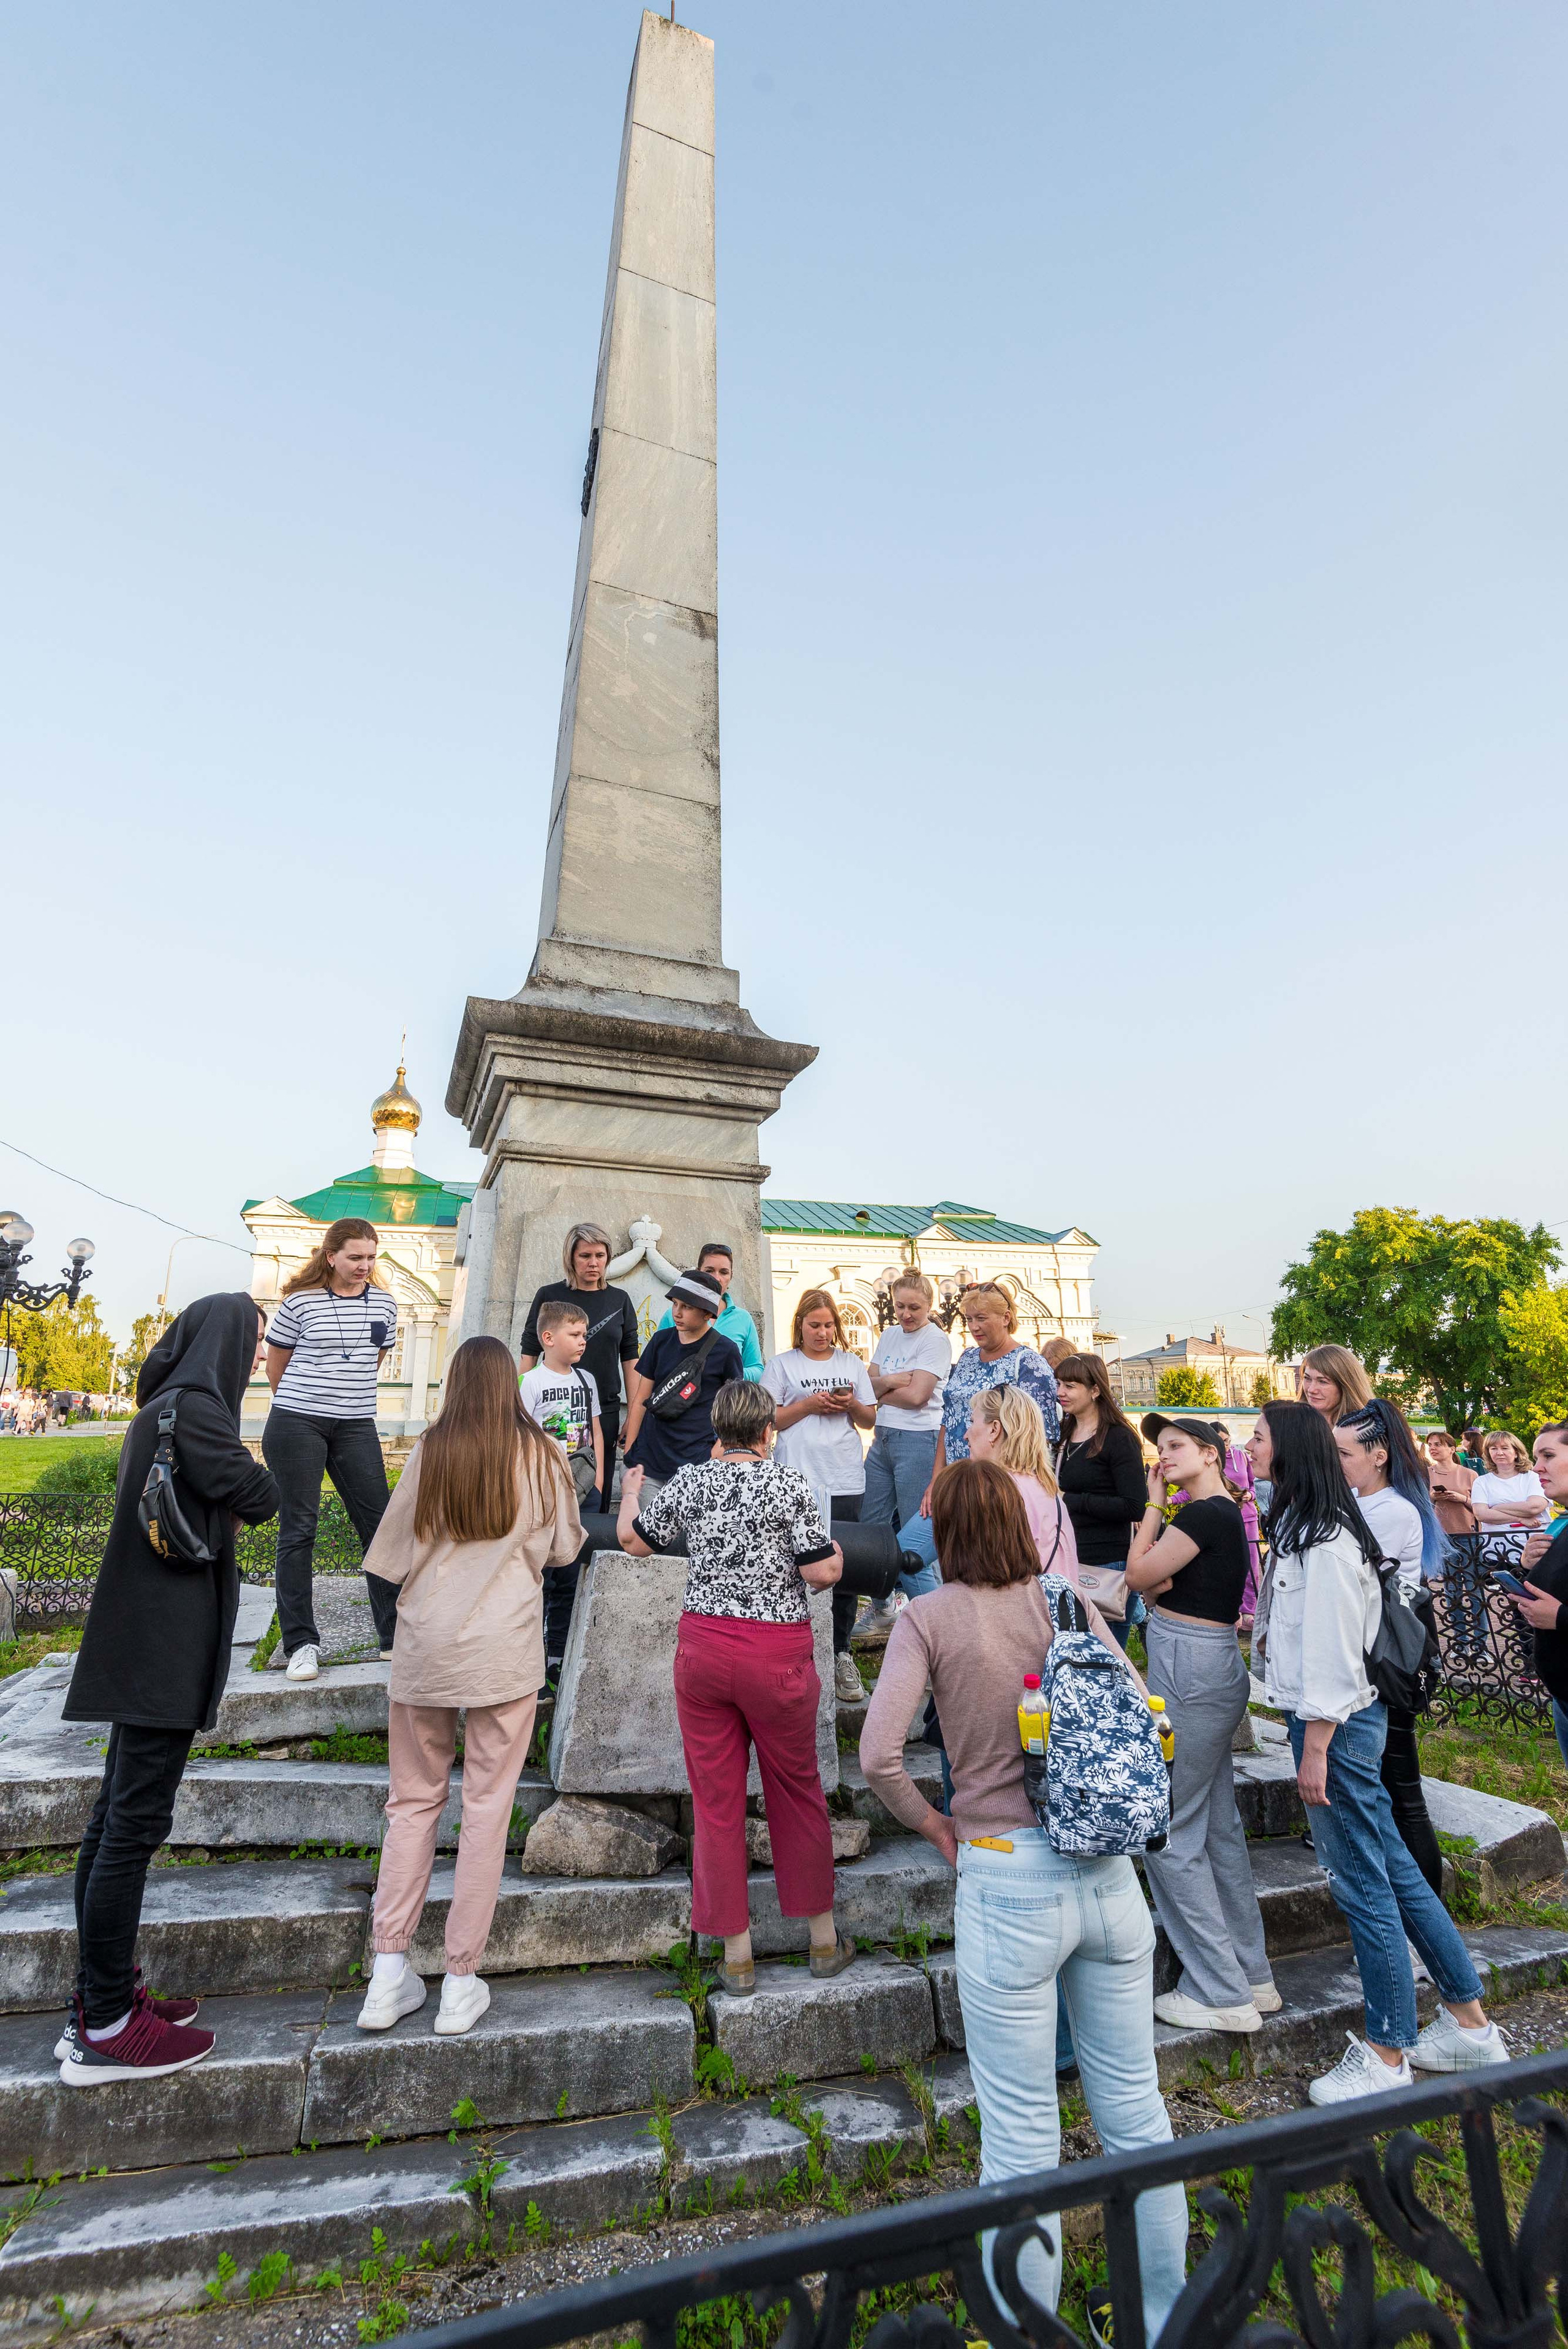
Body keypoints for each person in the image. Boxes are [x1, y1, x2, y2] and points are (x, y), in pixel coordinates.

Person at [859, 1459, 1189, 2347]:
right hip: (1109, 1875)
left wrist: (936, 1824)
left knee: (1019, 2134)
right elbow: (1147, 1715)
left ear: (947, 1533)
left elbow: (878, 1753)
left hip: (1005, 1873)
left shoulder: (929, 1615)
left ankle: (1025, 2330)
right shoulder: (1067, 1599)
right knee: (1137, 2112)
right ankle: (1161, 2318)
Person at [1248, 1400, 1506, 2102]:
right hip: (1338, 1722)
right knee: (1393, 1869)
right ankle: (1471, 2024)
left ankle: (1388, 2053)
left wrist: (1315, 1748)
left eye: (1258, 1435)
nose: (1248, 1444)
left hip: (1336, 1725)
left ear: (1290, 1451)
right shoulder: (1312, 1527)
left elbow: (1334, 1652)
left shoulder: (1325, 1538)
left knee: (1363, 1884)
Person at [59, 1295, 279, 2084]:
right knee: (131, 1830)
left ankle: (96, 2002)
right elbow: (263, 1496)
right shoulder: (201, 1413)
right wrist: (252, 1471)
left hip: (135, 1642)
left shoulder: (160, 1406)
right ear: (223, 1341)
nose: (255, 1356)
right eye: (251, 1340)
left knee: (110, 1821)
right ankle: (109, 2025)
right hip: (163, 1647)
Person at [353, 1337, 582, 2036]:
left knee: (411, 1806)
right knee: (485, 1810)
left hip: (426, 1647)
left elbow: (389, 1556)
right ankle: (459, 1980)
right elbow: (564, 1547)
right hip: (503, 1651)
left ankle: (386, 1977)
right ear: (509, 1384)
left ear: (454, 1382)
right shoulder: (541, 1452)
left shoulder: (430, 1448)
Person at [616, 1378, 853, 1992]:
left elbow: (634, 1543)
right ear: (767, 1430)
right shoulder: (789, 1483)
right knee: (796, 1790)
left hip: (705, 1652)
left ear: (717, 1428)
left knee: (716, 1801)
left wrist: (628, 1494)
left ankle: (737, 1954)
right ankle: (823, 1942)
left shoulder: (693, 1480)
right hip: (775, 1655)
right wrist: (838, 1558)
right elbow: (821, 1570)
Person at [1124, 1414, 1275, 2034]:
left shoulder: (1201, 1513)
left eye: (1176, 1446)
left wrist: (1152, 1507)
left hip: (1189, 1666)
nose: (1163, 1456)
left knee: (1165, 1829)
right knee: (1215, 1828)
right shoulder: (1220, 1515)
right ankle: (1251, 1975)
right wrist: (1155, 1577)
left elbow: (1137, 1579)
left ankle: (1219, 1990)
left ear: (1211, 1454)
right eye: (1158, 1449)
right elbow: (1160, 1592)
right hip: (1203, 1660)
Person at [260, 1216, 400, 1681]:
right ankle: (301, 1642)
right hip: (297, 1422)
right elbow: (275, 1367)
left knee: (380, 1526)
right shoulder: (300, 1303)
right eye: (355, 1257)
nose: (365, 1265)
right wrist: (307, 1403)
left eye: (371, 1257)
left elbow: (371, 1362)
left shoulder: (384, 1305)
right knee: (299, 1529)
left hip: (356, 1424)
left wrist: (342, 1400)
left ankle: (394, 1636)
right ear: (331, 1256)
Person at [1333, 1397, 1447, 1896]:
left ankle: (1427, 1923)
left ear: (1378, 1456)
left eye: (1344, 1453)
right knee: (1388, 1790)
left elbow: (1352, 1579)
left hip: (1389, 1665)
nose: (1336, 1463)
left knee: (1404, 1794)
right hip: (1371, 1662)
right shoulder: (1364, 1502)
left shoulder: (1393, 1510)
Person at [897, 1284, 1062, 1587]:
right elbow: (948, 1421)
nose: (974, 1327)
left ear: (1006, 1317)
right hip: (955, 1483)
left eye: (982, 1318)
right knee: (904, 1554)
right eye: (969, 1319)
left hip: (997, 1493)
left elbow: (1039, 1437)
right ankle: (938, 1629)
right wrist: (937, 1480)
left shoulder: (1028, 1365)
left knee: (977, 1576)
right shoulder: (969, 1358)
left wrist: (1007, 1488)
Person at [762, 1292, 878, 1705]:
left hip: (843, 1474)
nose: (823, 1332)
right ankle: (795, 1648)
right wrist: (810, 1404)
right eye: (815, 1325)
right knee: (793, 1562)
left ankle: (841, 1652)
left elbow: (869, 1419)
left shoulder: (849, 1364)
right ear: (801, 1325)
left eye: (829, 1325)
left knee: (843, 1563)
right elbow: (769, 1418)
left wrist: (851, 1405)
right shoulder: (782, 1364)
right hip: (796, 1473)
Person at [518, 1299, 605, 1684]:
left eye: (584, 1334)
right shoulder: (530, 1382)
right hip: (542, 1490)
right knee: (542, 1574)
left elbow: (596, 1431)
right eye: (575, 1334)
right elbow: (519, 1436)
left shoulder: (586, 1381)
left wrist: (600, 1478)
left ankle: (557, 1655)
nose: (582, 1341)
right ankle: (529, 1654)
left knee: (570, 1572)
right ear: (548, 1338)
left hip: (582, 1489)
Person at [518, 1223, 641, 1490]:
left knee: (598, 1490)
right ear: (571, 1258)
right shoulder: (549, 1295)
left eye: (600, 1256)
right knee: (547, 1488)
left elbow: (630, 1357)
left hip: (604, 1410)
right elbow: (530, 1351)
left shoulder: (619, 1299)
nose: (593, 1263)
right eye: (585, 1256)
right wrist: (518, 1408)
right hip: (553, 1408)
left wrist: (633, 1412)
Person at [859, 1272, 952, 1623]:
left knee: (918, 1537)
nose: (906, 1314)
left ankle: (934, 1617)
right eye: (900, 1306)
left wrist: (881, 1388)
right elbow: (864, 1387)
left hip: (919, 1439)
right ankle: (883, 1604)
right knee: (871, 1524)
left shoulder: (936, 1340)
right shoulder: (889, 1335)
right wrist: (889, 1382)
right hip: (882, 1437)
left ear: (930, 1305)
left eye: (915, 1307)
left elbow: (917, 1397)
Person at [1054, 1353, 1148, 1654]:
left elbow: (1134, 1506)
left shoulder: (1119, 1438)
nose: (1060, 1393)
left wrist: (1072, 1501)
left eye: (1070, 1386)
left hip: (1108, 1563)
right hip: (1069, 1559)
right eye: (1058, 1384)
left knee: (1104, 1660)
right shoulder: (1065, 1435)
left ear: (1095, 1390)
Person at [622, 1269, 744, 1501]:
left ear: (708, 1312)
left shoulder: (726, 1350)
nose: (677, 1313)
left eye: (687, 1307)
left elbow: (735, 1412)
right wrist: (630, 1455)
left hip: (697, 1465)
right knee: (648, 1535)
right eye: (675, 1304)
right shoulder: (660, 1341)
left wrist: (717, 1452)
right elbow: (640, 1400)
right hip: (649, 1463)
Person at [967, 1385, 1079, 1582]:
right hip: (1057, 1607)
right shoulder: (1045, 1488)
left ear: (994, 1429)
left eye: (972, 1422)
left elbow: (991, 1577)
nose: (965, 1434)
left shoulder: (1000, 1492)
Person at [1517, 1423, 1568, 1776]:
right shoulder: (1561, 1522)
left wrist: (1561, 1616)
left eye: (1548, 1456)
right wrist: (1529, 1565)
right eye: (1536, 1458)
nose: (1536, 1468)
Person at [655, 1242, 764, 1380]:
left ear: (731, 1276)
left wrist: (729, 1371)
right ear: (698, 1272)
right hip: (683, 1398)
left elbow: (757, 1369)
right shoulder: (674, 1316)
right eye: (709, 1271)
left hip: (727, 1399)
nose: (716, 1278)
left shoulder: (743, 1318)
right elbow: (657, 1362)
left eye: (724, 1272)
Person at [1470, 1430, 1549, 1563]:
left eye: (1505, 1448)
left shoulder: (1532, 1477)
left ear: (1516, 1452)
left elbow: (1534, 1507)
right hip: (1497, 1552)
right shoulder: (1482, 1482)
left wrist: (1496, 1508)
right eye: (1494, 1449)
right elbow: (1481, 1514)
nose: (1499, 1453)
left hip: (1535, 1552)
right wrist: (1520, 1518)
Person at [1300, 1344, 1374, 1423]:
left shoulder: (1368, 1430)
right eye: (1307, 1378)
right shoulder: (1292, 1424)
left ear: (1346, 1386)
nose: (1311, 1390)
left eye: (1323, 1382)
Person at [1423, 1429, 1477, 1537]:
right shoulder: (1424, 1474)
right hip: (1437, 1535)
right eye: (1430, 1445)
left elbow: (1482, 1507)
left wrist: (1462, 1498)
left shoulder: (1470, 1474)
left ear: (1452, 1450)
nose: (1432, 1448)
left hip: (1467, 1534)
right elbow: (1419, 1505)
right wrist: (1432, 1497)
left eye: (1438, 1445)